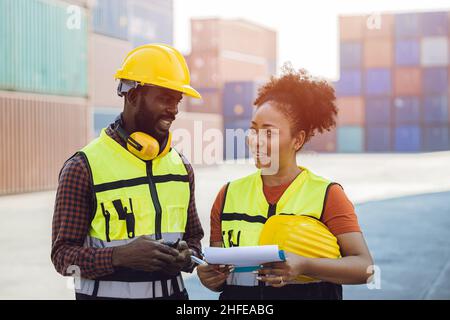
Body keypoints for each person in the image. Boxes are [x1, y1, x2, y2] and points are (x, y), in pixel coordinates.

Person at [197, 66, 374, 300]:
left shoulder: (327, 194)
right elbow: (221, 275)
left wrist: (305, 266)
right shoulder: (228, 195)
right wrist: (210, 277)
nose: (256, 141)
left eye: (269, 133)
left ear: (297, 139)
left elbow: (365, 268)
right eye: (253, 130)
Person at [51, 44, 204, 300]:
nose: (174, 110)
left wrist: (188, 256)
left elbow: (194, 237)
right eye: (165, 98)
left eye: (177, 100)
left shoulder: (181, 168)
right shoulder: (83, 168)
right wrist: (120, 257)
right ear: (132, 96)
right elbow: (63, 257)